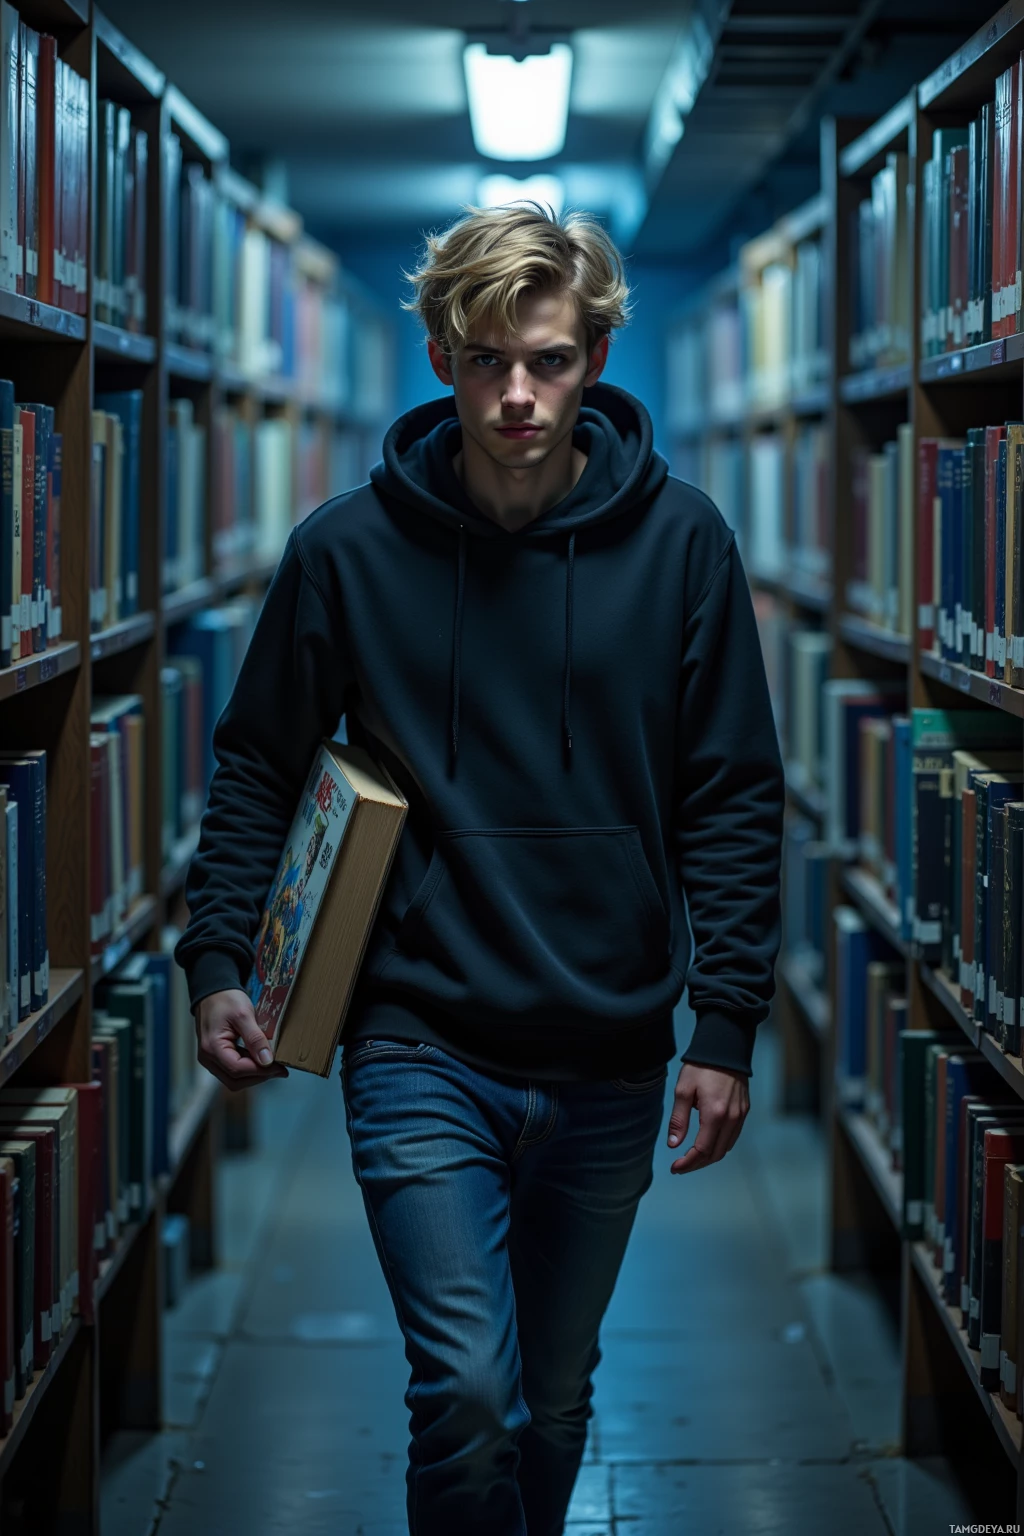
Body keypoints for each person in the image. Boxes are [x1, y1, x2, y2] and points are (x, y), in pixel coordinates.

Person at [175, 203, 785, 1536]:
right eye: (486, 356)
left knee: (551, 1400)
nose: (518, 393)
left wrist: (726, 1018)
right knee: (463, 1387)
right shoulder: (347, 551)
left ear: (599, 356)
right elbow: (258, 764)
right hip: (417, 1035)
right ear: (442, 354)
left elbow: (732, 794)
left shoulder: (685, 547)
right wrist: (216, 954)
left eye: (551, 360)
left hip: (612, 1040)